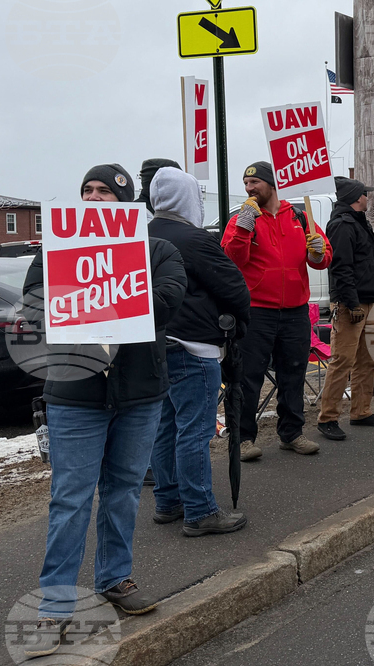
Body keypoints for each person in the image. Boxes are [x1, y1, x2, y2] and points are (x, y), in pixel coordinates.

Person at [23, 164, 187, 657]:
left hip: (139, 395)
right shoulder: (54, 250)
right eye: (87, 190)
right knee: (70, 499)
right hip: (75, 395)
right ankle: (54, 607)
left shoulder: (158, 250)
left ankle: (115, 578)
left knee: (122, 493)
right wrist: (90, 301)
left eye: (106, 191)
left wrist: (105, 302)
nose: (95, 197)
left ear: (127, 202)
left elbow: (170, 295)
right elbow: (35, 307)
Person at [148, 167, 251, 536]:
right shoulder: (193, 239)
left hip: (154, 345)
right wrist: (242, 323)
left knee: (164, 426)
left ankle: (168, 500)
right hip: (194, 346)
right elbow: (234, 288)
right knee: (194, 429)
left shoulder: (139, 235)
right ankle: (199, 509)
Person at [222, 161, 332, 460]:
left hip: (296, 310)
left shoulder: (299, 215)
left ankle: (292, 433)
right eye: (246, 183)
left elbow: (321, 259)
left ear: (272, 184)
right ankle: (242, 438)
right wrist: (245, 225)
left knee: (293, 374)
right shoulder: (244, 217)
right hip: (256, 311)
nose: (249, 188)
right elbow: (233, 258)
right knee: (248, 376)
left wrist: (319, 252)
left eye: (254, 183)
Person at [317, 177, 374, 441]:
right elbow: (341, 268)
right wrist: (350, 303)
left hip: (367, 298)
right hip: (353, 303)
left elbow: (358, 264)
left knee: (367, 359)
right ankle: (328, 417)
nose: (367, 197)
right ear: (354, 196)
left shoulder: (359, 222)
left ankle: (361, 410)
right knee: (342, 361)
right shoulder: (343, 224)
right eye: (364, 194)